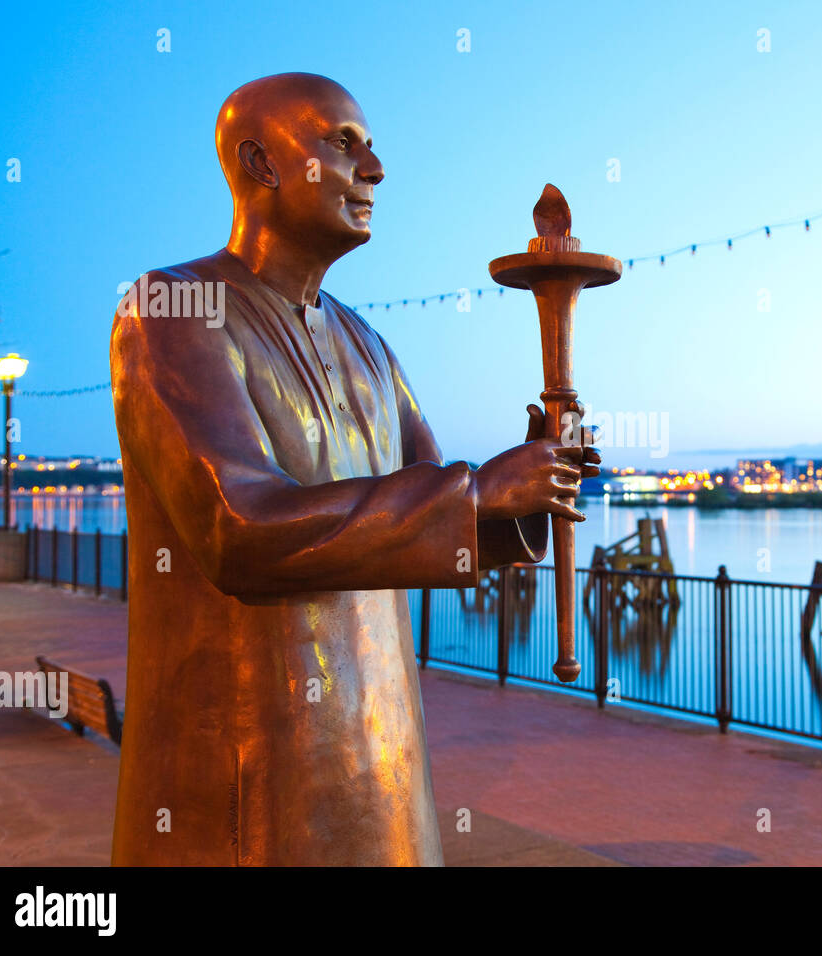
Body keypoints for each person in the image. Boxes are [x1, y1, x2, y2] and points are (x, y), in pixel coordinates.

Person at [108, 72, 597, 865]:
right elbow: (238, 529)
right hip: (249, 770)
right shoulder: (172, 308)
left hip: (382, 751)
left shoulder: (367, 344)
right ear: (263, 164)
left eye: (370, 146)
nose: (375, 168)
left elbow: (440, 522)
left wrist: (533, 480)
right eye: (343, 145)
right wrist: (476, 493)